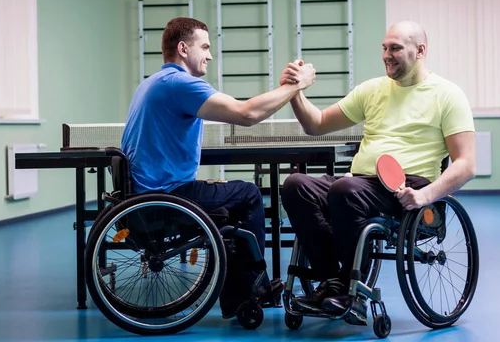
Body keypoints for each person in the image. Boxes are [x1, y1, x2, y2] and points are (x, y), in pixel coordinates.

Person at [279, 20, 476, 325]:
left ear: (420, 50)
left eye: (395, 47)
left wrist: (425, 195)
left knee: (345, 191)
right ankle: (333, 282)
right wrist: (294, 91)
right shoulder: (371, 90)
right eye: (384, 47)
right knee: (295, 185)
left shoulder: (447, 95)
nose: (386, 54)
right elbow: (315, 124)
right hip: (361, 182)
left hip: (407, 186)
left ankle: (350, 288)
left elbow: (466, 164)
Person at [120, 17, 316, 319]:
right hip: (164, 199)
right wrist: (296, 85)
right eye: (205, 47)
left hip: (147, 196)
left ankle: (239, 296)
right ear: (183, 48)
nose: (210, 55)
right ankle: (248, 293)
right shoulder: (180, 83)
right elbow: (247, 113)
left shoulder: (151, 82)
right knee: (250, 194)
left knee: (231, 197)